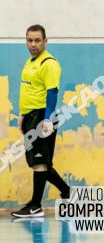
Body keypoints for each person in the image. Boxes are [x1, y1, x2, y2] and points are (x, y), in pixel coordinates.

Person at [11, 25, 71, 219]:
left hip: (42, 116)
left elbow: (52, 92)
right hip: (31, 116)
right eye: (29, 40)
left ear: (45, 41)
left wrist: (47, 119)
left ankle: (36, 206)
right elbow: (28, 91)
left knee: (39, 163)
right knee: (41, 162)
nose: (33, 44)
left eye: (37, 40)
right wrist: (22, 115)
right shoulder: (30, 62)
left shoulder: (49, 64)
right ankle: (68, 193)